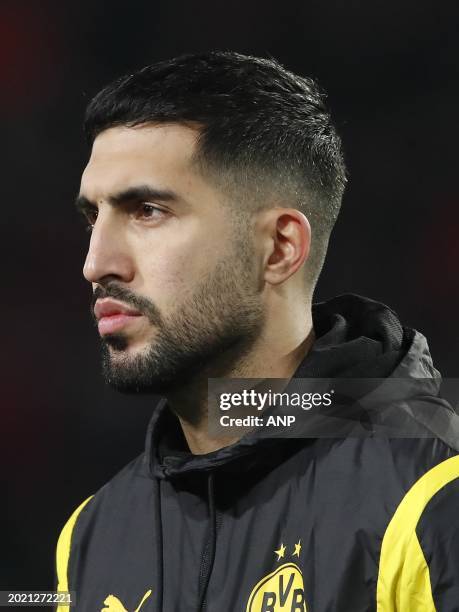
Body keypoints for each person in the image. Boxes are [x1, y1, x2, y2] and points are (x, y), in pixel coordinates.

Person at [55, 51, 459, 612]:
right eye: (92, 218)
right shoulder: (89, 538)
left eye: (146, 210)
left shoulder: (434, 492)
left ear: (278, 248)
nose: (96, 263)